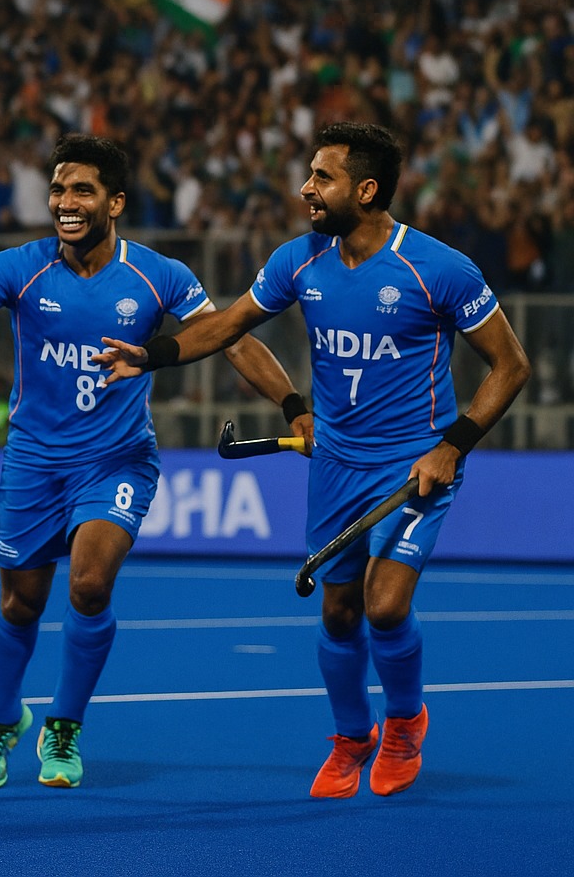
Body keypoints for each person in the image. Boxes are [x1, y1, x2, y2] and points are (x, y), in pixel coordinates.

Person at [96, 122, 529, 798]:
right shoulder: (300, 259)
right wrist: (149, 354)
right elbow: (229, 324)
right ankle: (352, 738)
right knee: (337, 614)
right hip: (335, 465)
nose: (306, 188)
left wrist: (452, 446)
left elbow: (511, 365)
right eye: (309, 173)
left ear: (366, 188)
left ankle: (406, 722)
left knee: (384, 607)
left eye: (322, 177)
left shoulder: (439, 267)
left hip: (411, 464)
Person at [0, 135, 311, 791]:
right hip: (33, 464)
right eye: (57, 190)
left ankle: (65, 725)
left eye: (81, 190)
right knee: (20, 603)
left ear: (116, 202)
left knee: (90, 584)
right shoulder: (18, 267)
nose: (65, 202)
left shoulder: (158, 276)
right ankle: (1, 719)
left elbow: (229, 342)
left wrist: (294, 405)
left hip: (117, 461)